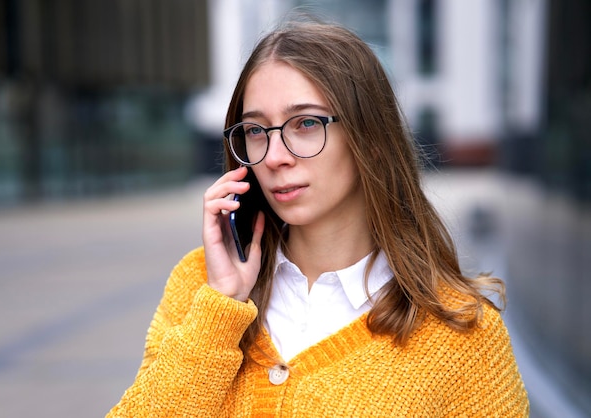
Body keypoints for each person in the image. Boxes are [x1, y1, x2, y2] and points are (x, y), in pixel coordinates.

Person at [106, 19, 529, 417]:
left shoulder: (462, 335)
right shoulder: (200, 287)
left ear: (371, 140)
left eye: (305, 123)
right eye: (255, 131)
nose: (274, 157)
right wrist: (222, 308)